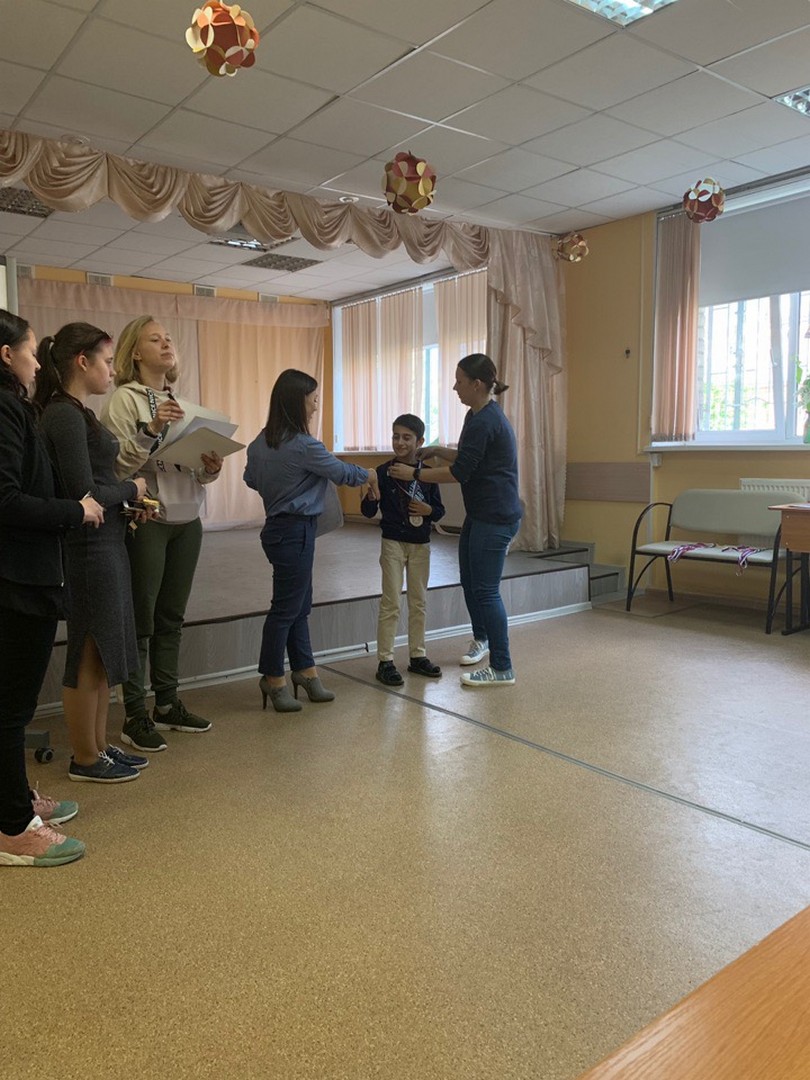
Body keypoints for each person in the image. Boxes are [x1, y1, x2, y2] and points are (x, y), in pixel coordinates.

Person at [0, 310, 104, 865]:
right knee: (11, 707)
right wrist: (75, 509)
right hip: (16, 578)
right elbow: (6, 500)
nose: (37, 363)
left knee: (11, 705)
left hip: (21, 573)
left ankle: (15, 801)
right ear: (6, 355)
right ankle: (13, 828)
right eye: (30, 351)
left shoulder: (13, 407)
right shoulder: (3, 407)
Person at [35, 323, 154, 783]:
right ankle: (84, 757)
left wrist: (128, 503)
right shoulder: (63, 414)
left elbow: (96, 487)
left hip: (106, 541)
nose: (112, 370)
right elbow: (83, 492)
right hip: (87, 549)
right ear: (82, 362)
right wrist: (132, 489)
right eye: (106, 361)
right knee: (88, 650)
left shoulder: (78, 412)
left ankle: (100, 747)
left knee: (102, 653)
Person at [101, 317, 222, 753]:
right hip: (146, 519)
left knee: (172, 616)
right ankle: (134, 713)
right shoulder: (123, 400)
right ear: (135, 352)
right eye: (155, 339)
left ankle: (167, 703)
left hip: (187, 519)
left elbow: (190, 469)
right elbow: (113, 468)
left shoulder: (182, 403)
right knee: (141, 619)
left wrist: (209, 468)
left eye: (169, 338)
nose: (166, 343)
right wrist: (151, 429)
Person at [244, 368, 380, 712]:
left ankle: (305, 671)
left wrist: (282, 485)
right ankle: (273, 678)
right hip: (294, 532)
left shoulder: (260, 443)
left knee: (299, 605)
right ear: (297, 402)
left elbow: (251, 479)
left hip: (279, 530)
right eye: (313, 399)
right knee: (286, 609)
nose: (316, 405)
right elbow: (342, 473)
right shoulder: (304, 446)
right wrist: (369, 474)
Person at [390, 353, 521, 687]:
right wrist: (438, 450)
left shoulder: (487, 420)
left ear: (476, 384)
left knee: (487, 591)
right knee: (470, 580)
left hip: (496, 517)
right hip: (480, 514)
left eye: (459, 381)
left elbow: (461, 472)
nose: (454, 387)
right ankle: (482, 638)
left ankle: (502, 667)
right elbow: (469, 457)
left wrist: (415, 473)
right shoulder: (474, 415)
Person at [361, 413, 445, 686]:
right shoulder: (383, 472)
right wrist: (370, 494)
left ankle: (417, 656)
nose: (400, 442)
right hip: (393, 543)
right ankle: (385, 661)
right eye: (396, 436)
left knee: (418, 601)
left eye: (407, 437)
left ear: (419, 441)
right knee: (391, 601)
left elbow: (439, 511)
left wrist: (428, 510)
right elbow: (368, 511)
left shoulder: (427, 474)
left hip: (421, 544)